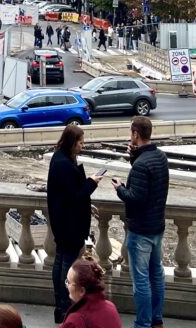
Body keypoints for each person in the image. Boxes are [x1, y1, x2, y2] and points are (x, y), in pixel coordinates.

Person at [110, 116, 169, 328]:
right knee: (157, 275)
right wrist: (134, 157)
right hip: (157, 227)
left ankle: (142, 324)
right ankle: (156, 320)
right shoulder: (160, 157)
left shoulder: (142, 165)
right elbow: (149, 186)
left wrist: (120, 188)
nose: (130, 136)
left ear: (136, 134)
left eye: (131, 132)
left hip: (141, 230)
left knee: (141, 281)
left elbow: (136, 197)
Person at [46, 124, 101, 324]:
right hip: (69, 225)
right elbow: (75, 196)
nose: (82, 145)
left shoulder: (59, 158)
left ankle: (60, 306)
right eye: (80, 142)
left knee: (60, 261)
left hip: (62, 222)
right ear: (72, 142)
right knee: (66, 266)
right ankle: (64, 306)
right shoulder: (64, 164)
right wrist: (92, 182)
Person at [61, 258, 122, 328]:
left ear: (82, 291)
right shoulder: (111, 307)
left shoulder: (75, 321)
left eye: (68, 282)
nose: (67, 286)